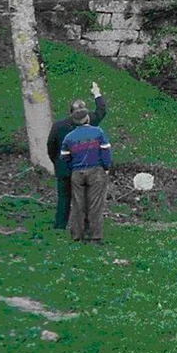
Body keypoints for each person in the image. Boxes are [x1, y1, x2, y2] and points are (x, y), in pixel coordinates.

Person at [47, 82, 106, 229]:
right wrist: (97, 93)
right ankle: (84, 227)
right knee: (84, 199)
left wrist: (57, 162)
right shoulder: (90, 121)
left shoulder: (59, 126)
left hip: (64, 167)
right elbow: (101, 110)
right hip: (85, 166)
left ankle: (60, 225)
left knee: (64, 198)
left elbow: (50, 147)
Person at [60, 105, 112, 243]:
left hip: (77, 173)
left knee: (77, 205)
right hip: (96, 171)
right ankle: (95, 237)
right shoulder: (98, 132)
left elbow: (64, 158)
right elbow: (106, 152)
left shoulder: (68, 138)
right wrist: (106, 168)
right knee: (95, 205)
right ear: (87, 117)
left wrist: (72, 168)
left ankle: (77, 236)